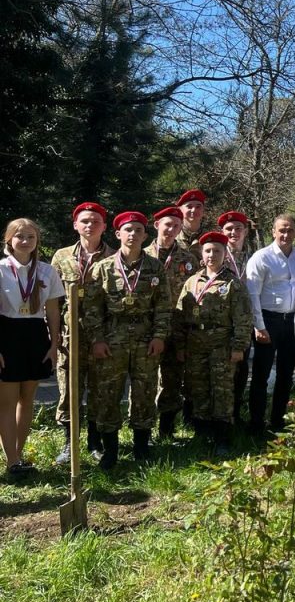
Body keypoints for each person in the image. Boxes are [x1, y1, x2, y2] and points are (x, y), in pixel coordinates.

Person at [83, 211, 172, 468]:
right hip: (113, 338)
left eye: (138, 230)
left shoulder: (155, 267)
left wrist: (159, 336)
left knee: (145, 392)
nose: (133, 235)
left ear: (146, 235)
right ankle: (110, 450)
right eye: (128, 230)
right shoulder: (104, 268)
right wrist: (97, 340)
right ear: (118, 234)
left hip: (146, 339)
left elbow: (163, 306)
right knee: (108, 392)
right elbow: (92, 309)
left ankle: (141, 448)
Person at [175, 232, 252, 455]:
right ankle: (202, 434)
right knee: (198, 388)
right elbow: (180, 315)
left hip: (222, 346)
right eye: (207, 250)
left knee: (222, 391)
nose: (211, 255)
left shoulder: (232, 284)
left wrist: (238, 347)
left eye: (216, 251)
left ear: (224, 254)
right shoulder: (192, 281)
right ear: (201, 253)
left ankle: (223, 438)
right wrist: (180, 346)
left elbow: (243, 318)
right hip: (196, 345)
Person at [51, 202, 114, 464]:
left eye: (95, 221)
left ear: (104, 226)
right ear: (75, 224)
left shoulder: (114, 257)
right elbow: (52, 300)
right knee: (69, 389)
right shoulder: (61, 256)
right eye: (84, 221)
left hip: (103, 335)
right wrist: (53, 334)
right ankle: (69, 443)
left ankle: (94, 442)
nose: (90, 225)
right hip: (70, 335)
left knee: (100, 389)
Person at [0, 219, 63, 475]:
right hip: (7, 334)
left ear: (37, 241)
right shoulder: (1, 269)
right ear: (9, 240)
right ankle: (12, 461)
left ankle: (19, 454)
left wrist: (54, 343)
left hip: (36, 335)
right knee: (7, 401)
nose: (25, 241)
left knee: (28, 400)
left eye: (31, 237)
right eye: (20, 236)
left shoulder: (47, 271)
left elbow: (52, 311)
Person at [246, 214, 295, 434]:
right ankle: (256, 424)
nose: (285, 234)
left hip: (292, 321)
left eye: (290, 230)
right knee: (261, 375)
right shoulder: (261, 257)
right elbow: (252, 294)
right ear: (273, 232)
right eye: (281, 230)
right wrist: (259, 326)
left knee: (286, 375)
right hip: (268, 320)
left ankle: (278, 421)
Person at [146, 206, 198, 439]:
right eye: (167, 224)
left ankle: (166, 430)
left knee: (172, 377)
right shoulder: (141, 255)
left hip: (176, 327)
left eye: (176, 226)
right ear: (156, 225)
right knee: (144, 378)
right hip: (146, 326)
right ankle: (142, 428)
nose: (171, 229)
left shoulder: (187, 258)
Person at [218, 211, 252, 424]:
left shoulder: (253, 258)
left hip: (243, 324)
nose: (233, 232)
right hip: (221, 323)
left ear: (245, 232)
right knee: (220, 371)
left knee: (241, 370)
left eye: (238, 228)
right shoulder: (216, 254)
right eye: (229, 229)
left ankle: (236, 414)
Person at [175, 189, 208, 261]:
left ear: (203, 211)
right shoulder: (172, 236)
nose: (193, 210)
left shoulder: (210, 239)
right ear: (180, 210)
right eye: (189, 206)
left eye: (198, 207)